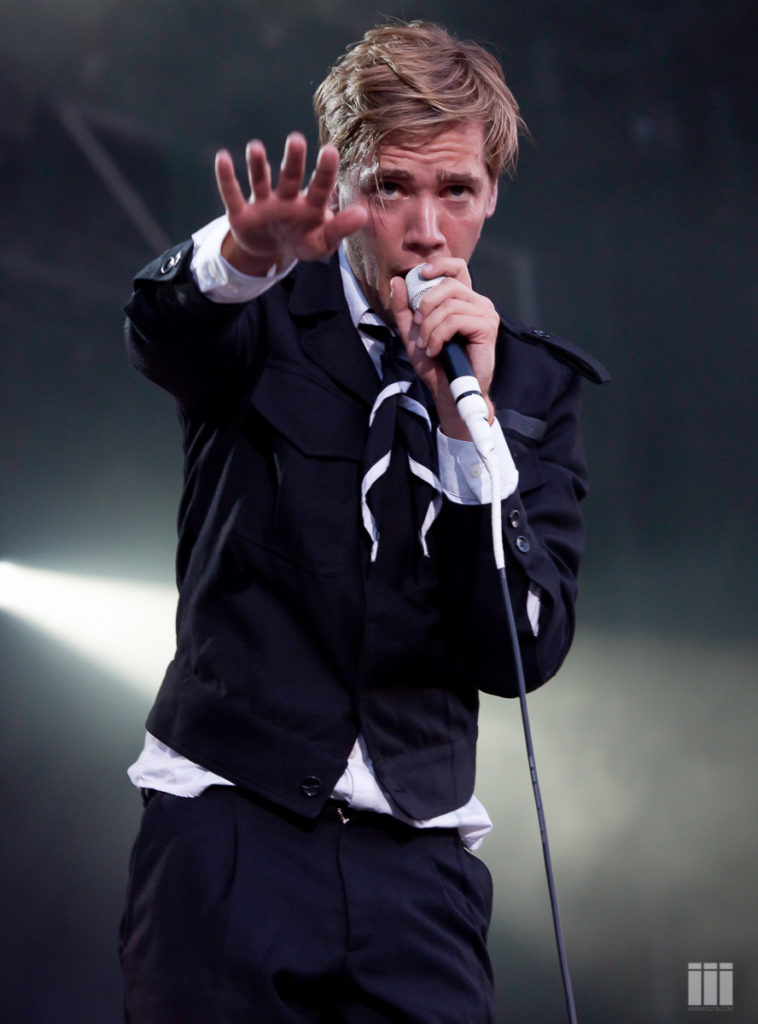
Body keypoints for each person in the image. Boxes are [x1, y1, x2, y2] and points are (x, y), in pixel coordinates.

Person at [119, 19, 608, 1024]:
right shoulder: (262, 313)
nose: (425, 228)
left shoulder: (529, 388)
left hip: (418, 871)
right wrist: (237, 257)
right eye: (391, 187)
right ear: (343, 184)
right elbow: (160, 331)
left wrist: (467, 430)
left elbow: (521, 646)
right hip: (231, 829)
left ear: (491, 195)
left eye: (456, 190)